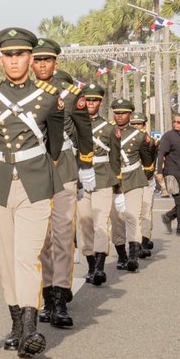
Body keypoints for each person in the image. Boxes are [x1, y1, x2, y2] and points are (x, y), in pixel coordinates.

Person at [0, 28, 64, 358]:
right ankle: (17, 324)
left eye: (21, 55)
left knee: (27, 256)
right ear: (0, 59)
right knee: (6, 258)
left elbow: (55, 144)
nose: (15, 61)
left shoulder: (50, 99)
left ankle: (32, 328)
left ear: (31, 59)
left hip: (35, 183)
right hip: (0, 183)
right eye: (9, 55)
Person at [30, 47, 95, 328]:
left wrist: (87, 165)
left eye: (48, 59)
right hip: (32, 167)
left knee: (63, 233)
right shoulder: (22, 94)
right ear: (32, 63)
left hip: (64, 164)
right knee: (41, 236)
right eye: (39, 60)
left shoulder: (70, 95)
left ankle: (59, 298)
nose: (43, 64)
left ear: (55, 62)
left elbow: (84, 131)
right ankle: (46, 294)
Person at [78, 83, 122, 285]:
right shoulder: (74, 124)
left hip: (103, 177)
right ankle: (89, 264)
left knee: (100, 222)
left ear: (100, 102)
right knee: (85, 222)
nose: (90, 103)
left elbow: (114, 159)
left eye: (94, 100)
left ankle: (99, 267)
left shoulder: (109, 129)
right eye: (88, 99)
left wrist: (118, 185)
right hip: (80, 179)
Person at [108, 99, 155, 272]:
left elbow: (147, 160)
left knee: (133, 216)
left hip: (134, 179)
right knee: (117, 220)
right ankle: (121, 255)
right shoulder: (107, 131)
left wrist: (148, 174)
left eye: (123, 113)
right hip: (113, 180)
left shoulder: (140, 136)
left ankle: (133, 256)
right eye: (117, 113)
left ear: (129, 114)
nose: (120, 116)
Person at [130, 113, 157, 257]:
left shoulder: (150, 141)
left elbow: (152, 161)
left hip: (146, 178)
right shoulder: (123, 138)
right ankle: (135, 242)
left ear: (144, 125)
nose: (135, 126)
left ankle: (144, 242)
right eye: (133, 124)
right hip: (130, 179)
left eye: (138, 124)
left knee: (145, 211)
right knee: (133, 213)